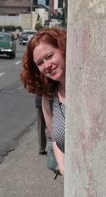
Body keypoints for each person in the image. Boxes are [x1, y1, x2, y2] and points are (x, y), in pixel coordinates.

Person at [21, 27, 66, 176]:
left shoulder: (91, 87)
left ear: (63, 48)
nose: (47, 65)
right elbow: (55, 138)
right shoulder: (49, 97)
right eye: (40, 63)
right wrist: (64, 168)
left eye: (50, 56)